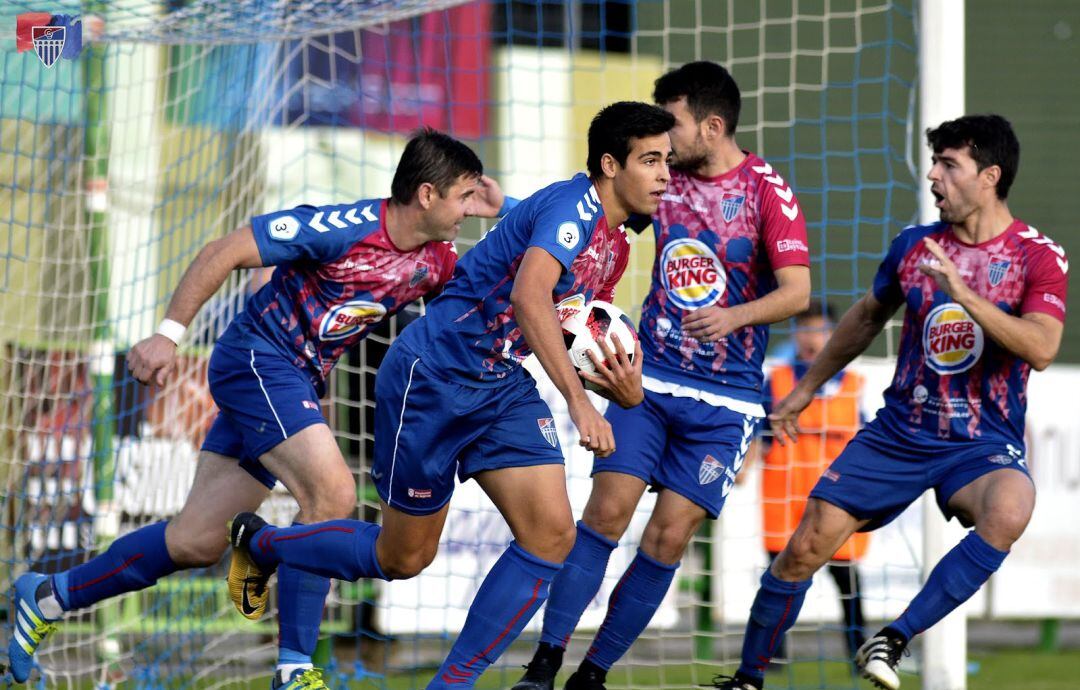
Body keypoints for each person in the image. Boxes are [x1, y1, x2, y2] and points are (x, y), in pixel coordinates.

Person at [7, 128, 508, 689]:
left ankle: (49, 597)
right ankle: (294, 668)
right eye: (465, 196)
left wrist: (501, 208)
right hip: (256, 362)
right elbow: (222, 252)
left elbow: (494, 284)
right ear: (426, 195)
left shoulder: (435, 261)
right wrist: (167, 336)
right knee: (333, 494)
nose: (471, 209)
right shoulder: (339, 228)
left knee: (195, 540)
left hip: (291, 382)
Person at [223, 101, 675, 690]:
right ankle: (265, 542)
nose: (666, 174)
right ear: (610, 164)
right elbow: (529, 298)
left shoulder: (616, 246)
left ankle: (452, 684)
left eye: (667, 160)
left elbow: (570, 331)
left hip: (500, 385)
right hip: (434, 375)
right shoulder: (572, 205)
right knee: (402, 559)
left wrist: (620, 387)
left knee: (552, 535)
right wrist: (579, 401)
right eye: (651, 160)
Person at [714, 114, 1067, 690]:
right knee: (804, 548)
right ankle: (748, 678)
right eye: (935, 163)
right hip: (900, 433)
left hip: (979, 442)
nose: (933, 176)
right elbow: (865, 319)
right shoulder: (914, 247)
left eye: (949, 165)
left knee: (1011, 508)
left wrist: (965, 294)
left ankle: (895, 638)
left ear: (990, 176)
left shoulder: (1038, 257)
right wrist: (803, 390)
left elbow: (1043, 346)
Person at [512, 61, 811, 690]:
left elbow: (797, 293)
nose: (664, 144)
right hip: (647, 383)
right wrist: (512, 210)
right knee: (605, 515)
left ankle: (592, 675)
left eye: (673, 125)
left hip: (726, 401)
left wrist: (734, 315)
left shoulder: (766, 190)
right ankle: (544, 663)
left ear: (713, 123)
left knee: (669, 538)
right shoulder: (663, 181)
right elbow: (593, 219)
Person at [757, 300, 869, 662]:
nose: (810, 338)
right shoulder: (776, 382)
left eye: (819, 330)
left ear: (833, 335)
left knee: (848, 585)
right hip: (784, 504)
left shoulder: (854, 387)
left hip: (835, 504)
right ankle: (771, 656)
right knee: (779, 583)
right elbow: (757, 433)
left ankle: (858, 654)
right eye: (803, 329)